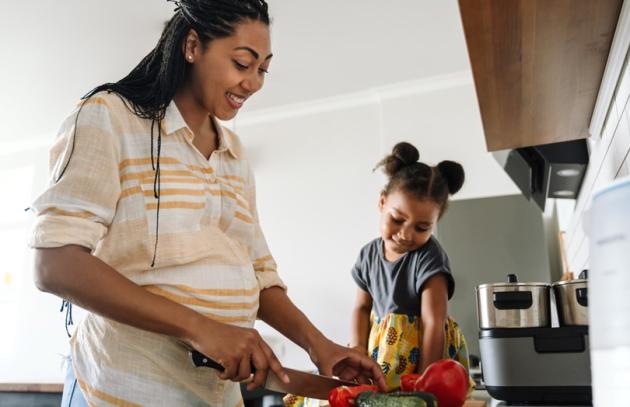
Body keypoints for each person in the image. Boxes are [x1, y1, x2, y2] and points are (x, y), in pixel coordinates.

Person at [28, 1, 385, 405]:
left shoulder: (233, 153)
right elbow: (54, 263)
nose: (254, 83)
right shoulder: (109, 118)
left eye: (263, 69)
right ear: (193, 46)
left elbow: (259, 273)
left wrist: (320, 346)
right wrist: (202, 328)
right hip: (122, 388)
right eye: (242, 63)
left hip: (215, 395)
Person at [349, 141, 470, 391]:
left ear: (435, 223)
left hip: (426, 353)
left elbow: (433, 321)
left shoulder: (430, 256)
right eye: (397, 219)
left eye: (422, 227)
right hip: (382, 349)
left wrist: (426, 378)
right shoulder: (368, 255)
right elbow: (362, 308)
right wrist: (358, 348)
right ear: (382, 203)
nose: (406, 234)